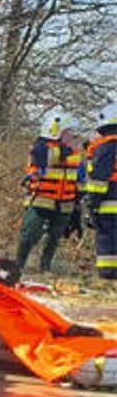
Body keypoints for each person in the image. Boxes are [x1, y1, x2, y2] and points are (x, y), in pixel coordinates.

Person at [17, 115, 83, 274]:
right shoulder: (40, 146)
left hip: (65, 203)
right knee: (30, 234)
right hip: (41, 200)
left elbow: (78, 179)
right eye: (68, 132)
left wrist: (77, 205)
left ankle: (45, 267)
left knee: (55, 237)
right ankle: (18, 265)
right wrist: (68, 149)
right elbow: (43, 158)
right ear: (57, 132)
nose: (72, 136)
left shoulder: (75, 153)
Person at [84, 102, 117, 281]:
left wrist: (92, 205)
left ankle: (108, 275)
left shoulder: (105, 147)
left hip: (109, 202)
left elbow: (99, 179)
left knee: (107, 237)